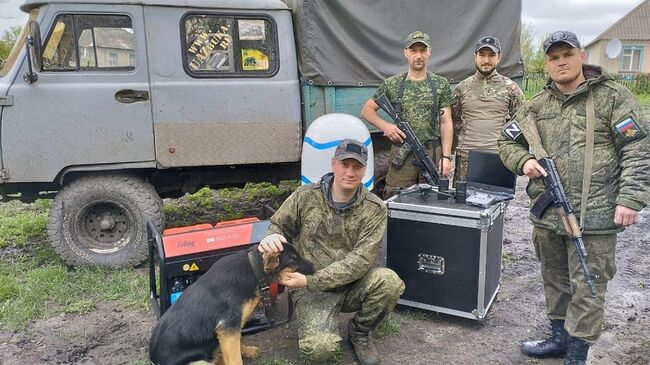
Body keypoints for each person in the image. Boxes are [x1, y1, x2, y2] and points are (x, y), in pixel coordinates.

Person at [498, 31, 649, 365]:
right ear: (547, 64)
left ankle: (577, 352)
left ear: (581, 56)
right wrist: (525, 161)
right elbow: (507, 141)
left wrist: (631, 198)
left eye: (567, 54)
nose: (560, 62)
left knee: (589, 283)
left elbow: (637, 149)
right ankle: (558, 338)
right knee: (555, 278)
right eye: (553, 57)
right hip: (548, 213)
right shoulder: (535, 105)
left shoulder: (614, 97)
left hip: (596, 214)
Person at [258, 139, 405, 365]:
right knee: (319, 351)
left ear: (364, 170)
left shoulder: (375, 208)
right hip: (311, 291)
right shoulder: (305, 196)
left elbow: (360, 261)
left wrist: (311, 280)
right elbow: (278, 225)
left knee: (389, 282)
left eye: (357, 167)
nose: (350, 172)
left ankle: (359, 332)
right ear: (333, 164)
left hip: (346, 284)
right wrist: (271, 237)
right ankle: (323, 325)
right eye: (345, 165)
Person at [361, 31, 454, 198]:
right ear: (406, 53)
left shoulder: (441, 84)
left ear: (429, 52)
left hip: (432, 154)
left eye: (422, 50)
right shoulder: (393, 84)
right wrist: (386, 126)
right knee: (397, 198)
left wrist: (446, 157)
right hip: (401, 154)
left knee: (434, 200)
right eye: (413, 50)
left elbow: (446, 122)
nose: (418, 56)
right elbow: (367, 110)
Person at [452, 35, 523, 181]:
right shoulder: (462, 88)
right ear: (475, 56)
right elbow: (453, 122)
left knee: (495, 202)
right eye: (482, 55)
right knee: (461, 203)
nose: (486, 60)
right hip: (466, 158)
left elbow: (521, 122)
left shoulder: (511, 89)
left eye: (491, 55)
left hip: (497, 159)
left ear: (499, 57)